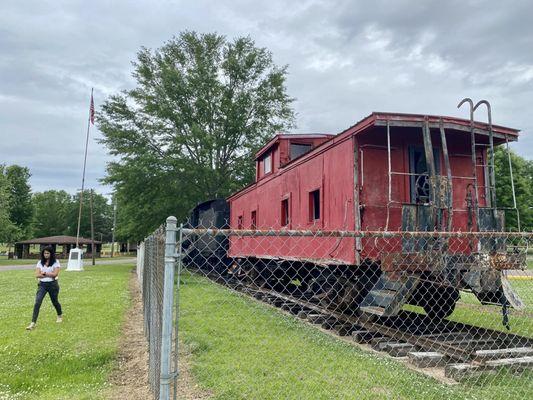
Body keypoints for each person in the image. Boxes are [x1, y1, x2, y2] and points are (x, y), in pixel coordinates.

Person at [26, 246, 63, 330]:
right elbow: (37, 275)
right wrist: (48, 274)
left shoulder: (56, 262)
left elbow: (55, 274)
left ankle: (59, 315)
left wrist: (44, 273)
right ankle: (33, 323)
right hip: (42, 285)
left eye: (48, 253)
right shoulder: (40, 262)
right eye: (45, 253)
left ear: (51, 254)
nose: (46, 255)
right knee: (37, 302)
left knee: (55, 302)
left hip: (53, 285)